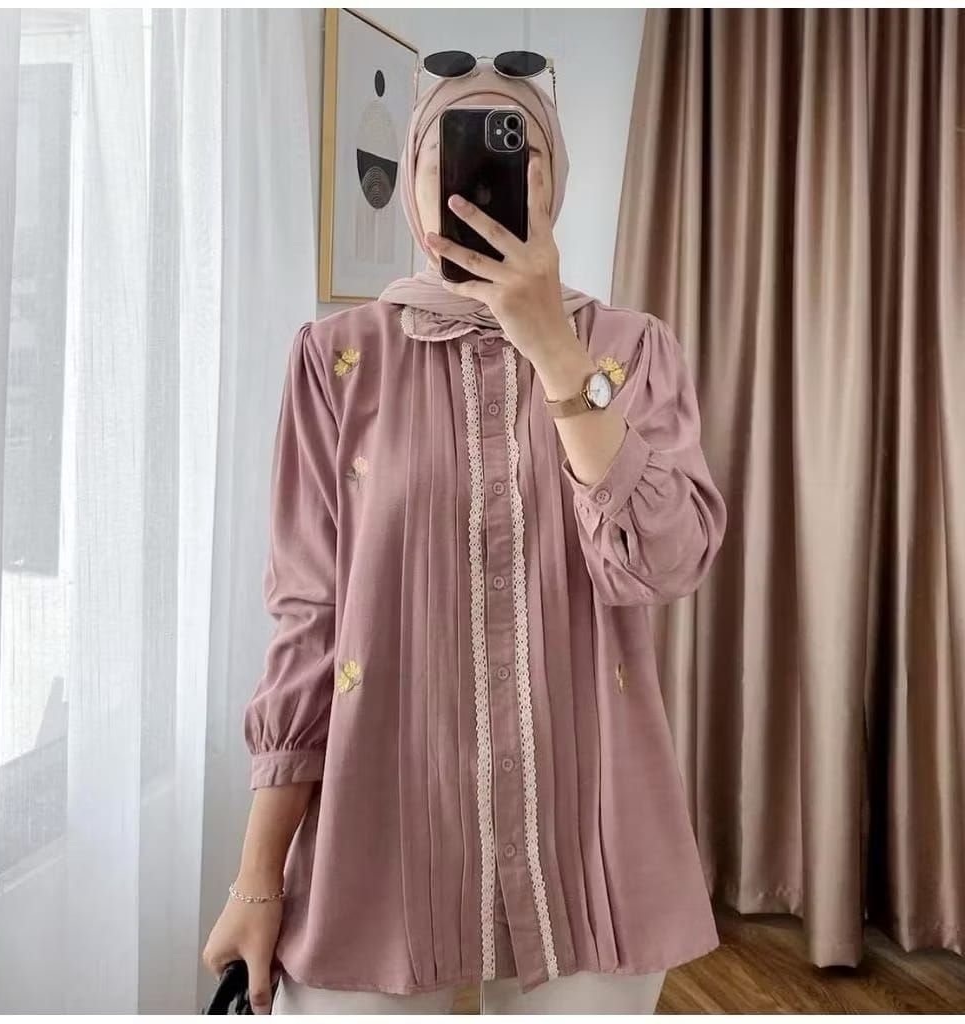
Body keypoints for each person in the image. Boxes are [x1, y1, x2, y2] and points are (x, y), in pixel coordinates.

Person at [202, 62, 727, 1015]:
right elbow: (311, 619)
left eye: (512, 155)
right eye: (450, 154)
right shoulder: (336, 361)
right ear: (413, 182)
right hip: (379, 836)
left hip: (592, 840)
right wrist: (258, 877)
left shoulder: (632, 349)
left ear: (549, 183)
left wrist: (557, 350)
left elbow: (667, 561)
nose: (478, 183)